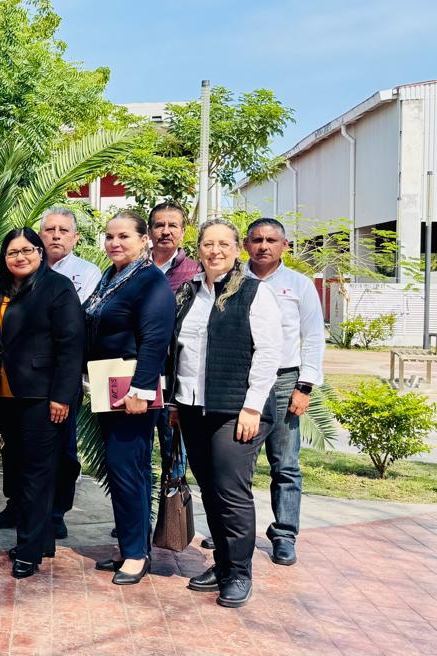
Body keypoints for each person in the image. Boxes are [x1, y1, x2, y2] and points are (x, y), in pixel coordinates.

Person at [166, 219, 282, 608]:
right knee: (210, 488)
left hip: (237, 409)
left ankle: (239, 572)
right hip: (192, 406)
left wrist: (252, 406)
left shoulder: (254, 292)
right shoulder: (188, 292)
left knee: (230, 491)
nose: (215, 251)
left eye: (223, 244)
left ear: (237, 250)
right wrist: (175, 402)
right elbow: (178, 351)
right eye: (208, 244)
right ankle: (222, 563)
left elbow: (268, 353)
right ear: (198, 249)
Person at [0, 227, 84, 578]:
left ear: (40, 252)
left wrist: (62, 396)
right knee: (20, 468)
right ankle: (42, 540)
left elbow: (71, 346)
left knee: (37, 473)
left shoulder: (57, 287)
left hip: (43, 396)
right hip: (5, 394)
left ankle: (28, 550)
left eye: (27, 250)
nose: (19, 257)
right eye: (12, 252)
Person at [84, 210, 175, 584]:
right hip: (108, 390)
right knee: (122, 469)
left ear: (143, 240)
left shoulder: (150, 281)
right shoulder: (111, 277)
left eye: (123, 236)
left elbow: (154, 341)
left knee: (129, 470)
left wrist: (140, 392)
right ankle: (130, 546)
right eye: (110, 236)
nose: (115, 243)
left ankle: (137, 555)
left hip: (132, 395)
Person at [243, 217, 325, 566]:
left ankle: (284, 534)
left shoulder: (299, 285)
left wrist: (304, 386)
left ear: (285, 246)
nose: (263, 246)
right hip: (243, 382)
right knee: (238, 463)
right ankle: (235, 531)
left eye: (271, 240)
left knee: (285, 464)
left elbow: (314, 336)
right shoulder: (235, 280)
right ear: (246, 244)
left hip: (284, 381)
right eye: (257, 239)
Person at [32, 206, 103, 539]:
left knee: (63, 446)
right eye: (50, 230)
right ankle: (20, 505)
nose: (56, 235)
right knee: (21, 444)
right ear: (39, 236)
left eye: (63, 230)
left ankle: (57, 511)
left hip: (63, 372)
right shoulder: (26, 266)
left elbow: (79, 321)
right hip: (27, 374)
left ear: (75, 237)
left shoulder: (87, 273)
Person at [148, 202, 199, 484]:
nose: (165, 231)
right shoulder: (133, 268)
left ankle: (172, 512)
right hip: (138, 373)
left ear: (183, 231)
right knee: (136, 452)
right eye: (159, 225)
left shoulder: (195, 272)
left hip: (176, 378)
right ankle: (139, 512)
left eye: (172, 225)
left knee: (174, 454)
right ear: (149, 231)